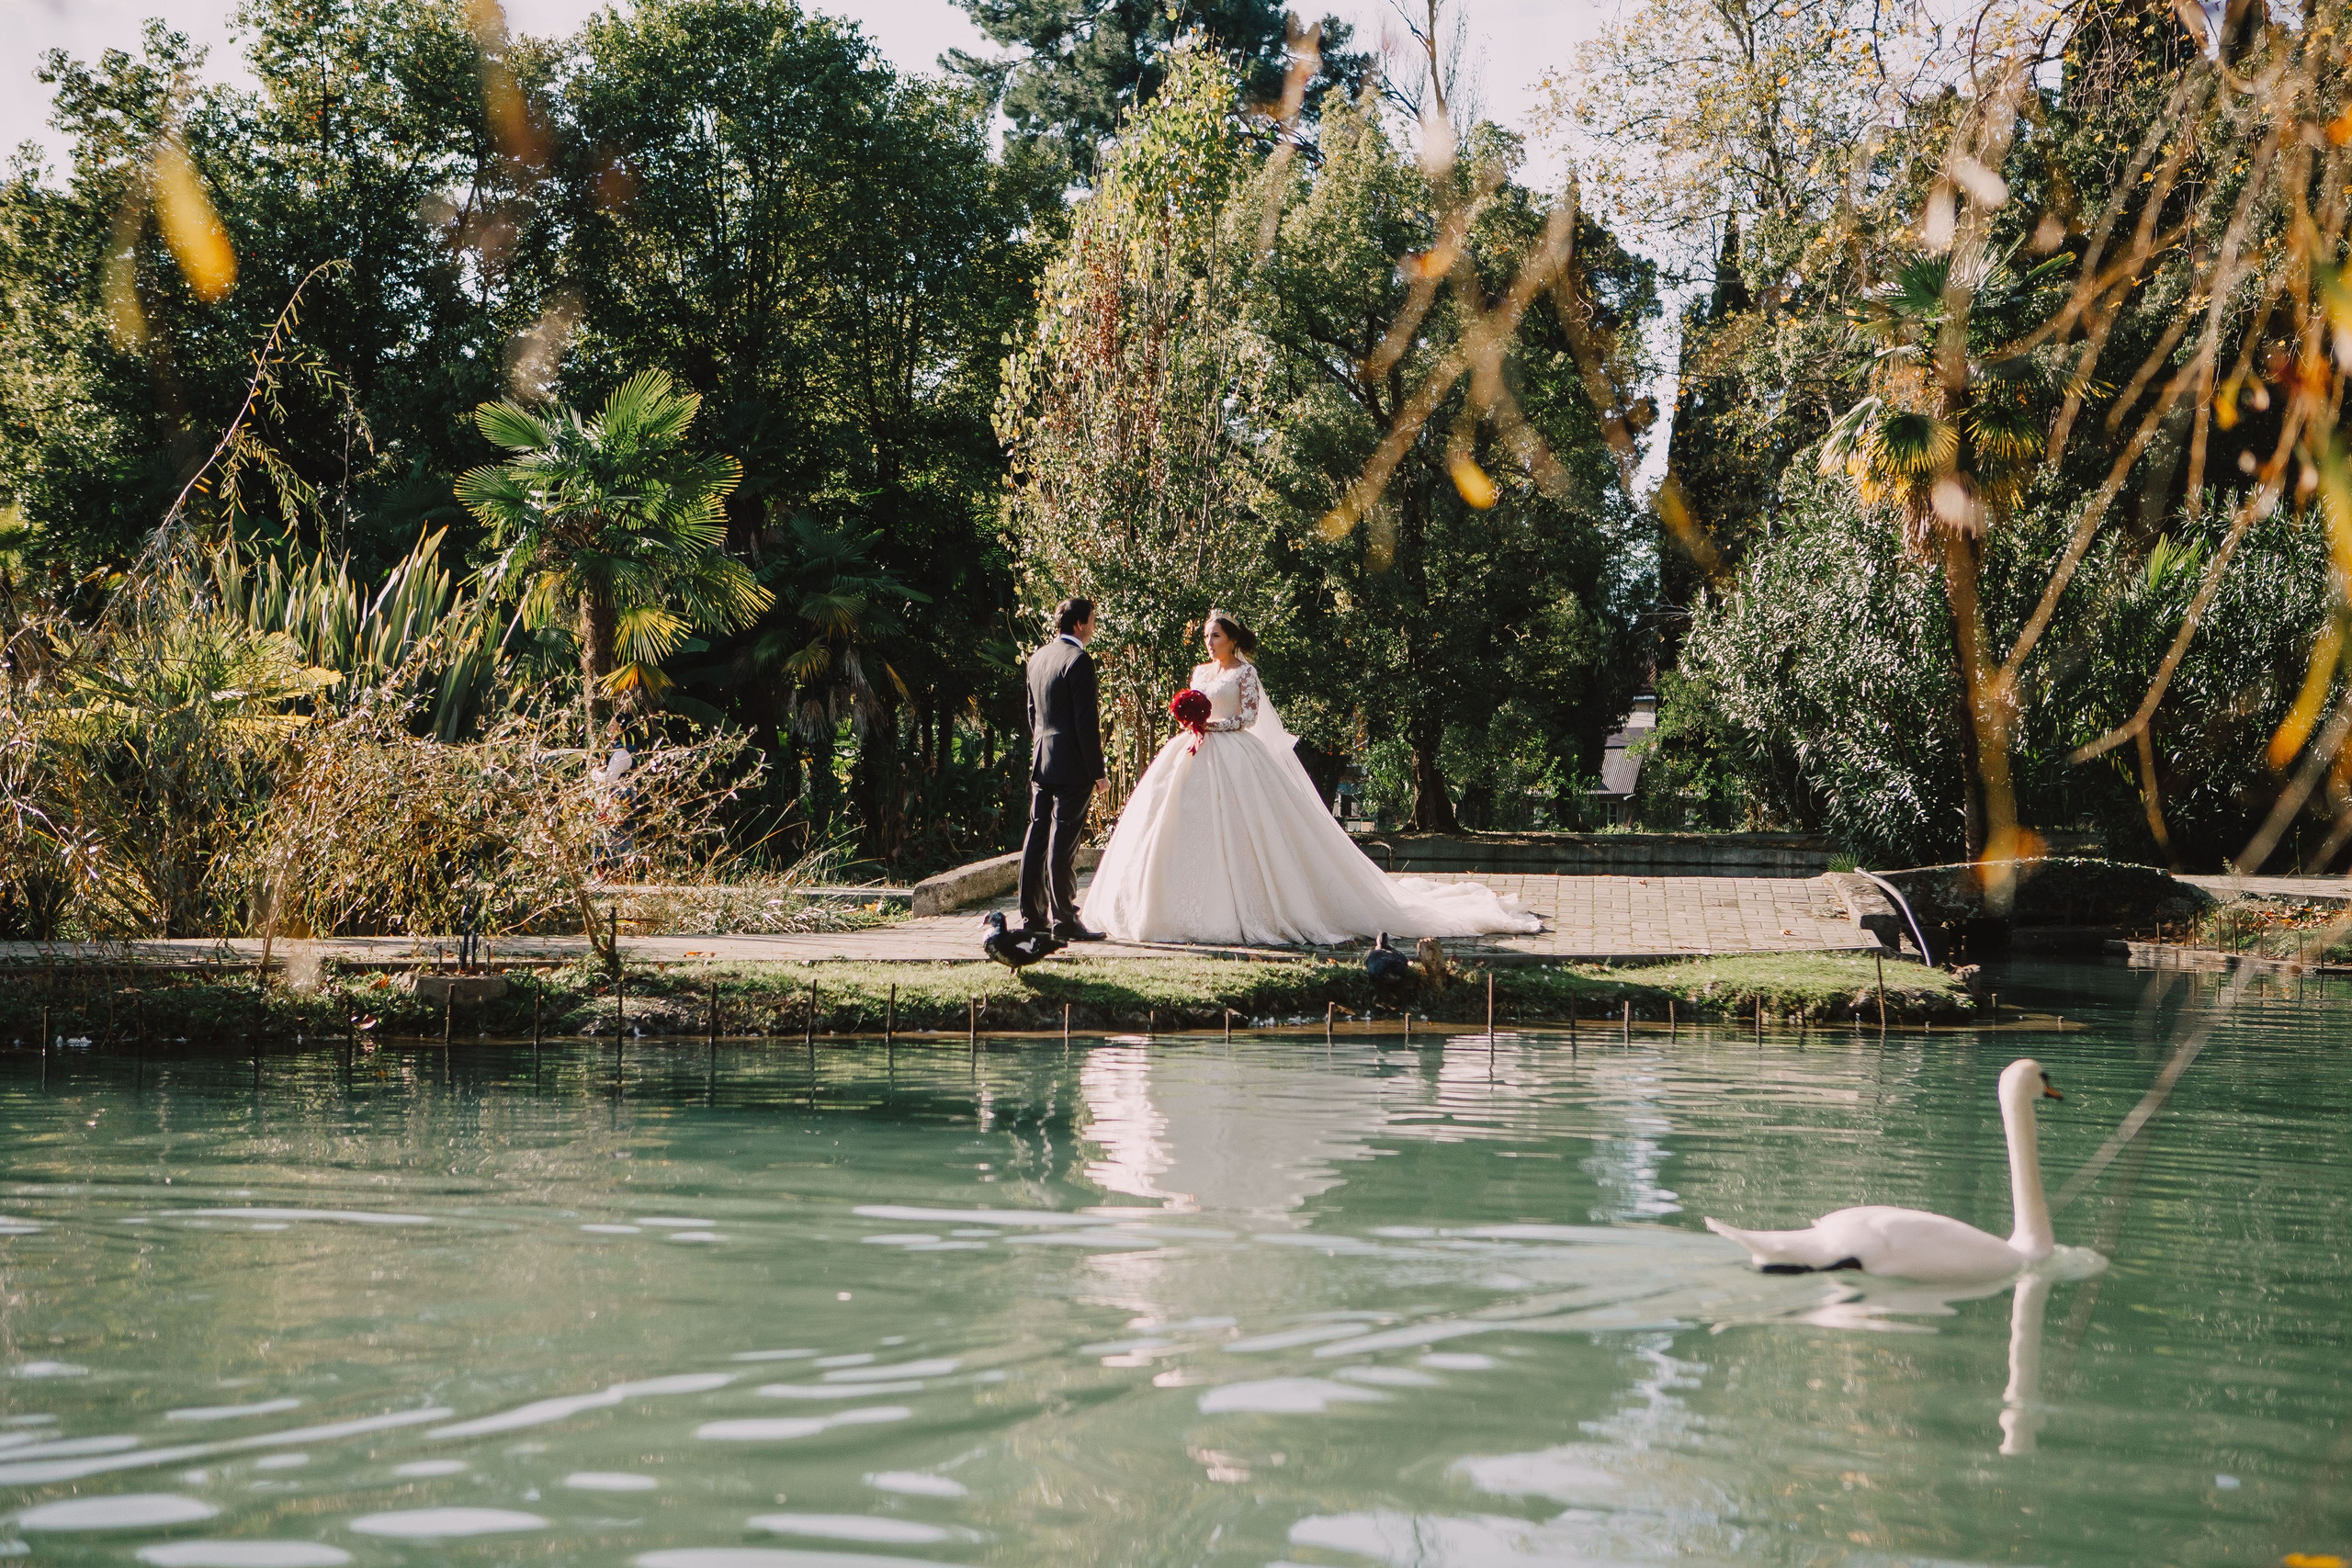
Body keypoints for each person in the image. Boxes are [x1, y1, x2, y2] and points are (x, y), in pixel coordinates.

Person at [1080, 610, 1540, 946]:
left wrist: (1211, 725)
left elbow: (1248, 717)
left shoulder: (1246, 672)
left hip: (1234, 753)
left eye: (1215, 635)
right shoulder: (1201, 672)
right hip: (1193, 753)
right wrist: (1191, 725)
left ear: (1231, 638)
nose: (1208, 642)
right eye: (1205, 635)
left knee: (1244, 831)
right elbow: (1199, 704)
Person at [1020, 597, 1109, 939]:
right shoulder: (1079, 661)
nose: (1094, 624)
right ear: (1079, 625)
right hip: (1072, 764)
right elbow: (1086, 722)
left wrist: (1045, 746)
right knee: (1063, 841)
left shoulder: (1038, 658)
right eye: (1093, 619)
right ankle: (1065, 920)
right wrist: (1098, 771)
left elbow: (1033, 714)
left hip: (1042, 759)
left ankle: (1033, 918)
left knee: (1036, 837)